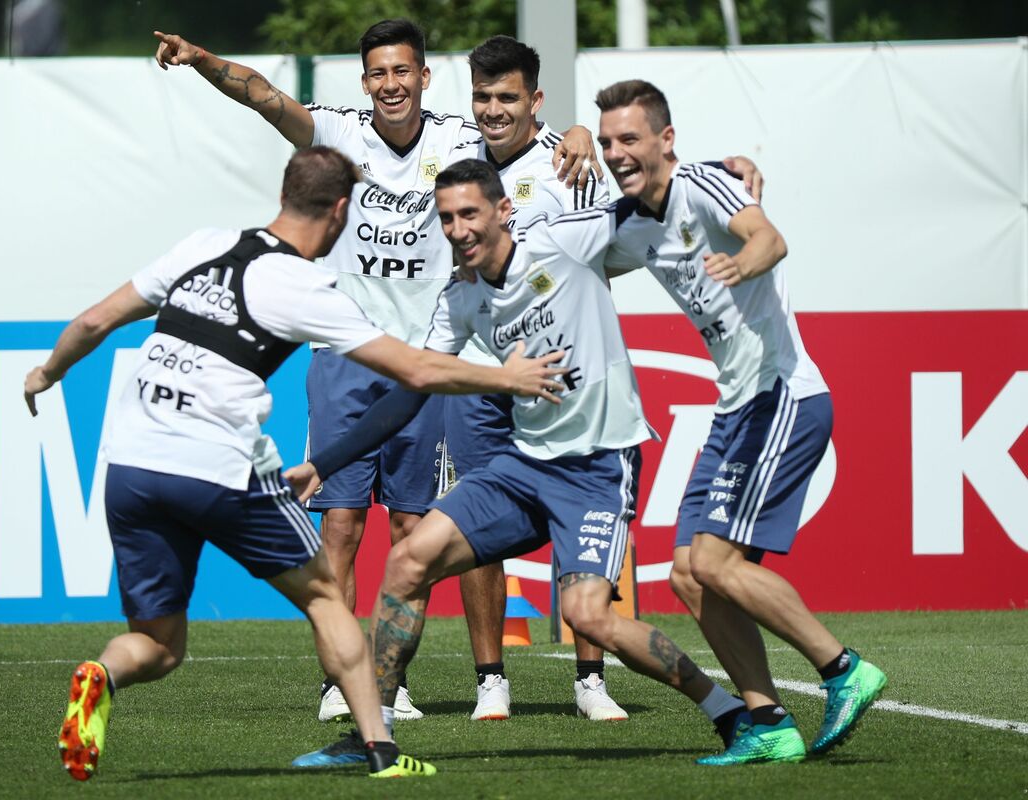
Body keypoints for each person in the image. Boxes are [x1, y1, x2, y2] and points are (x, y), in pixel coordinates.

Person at [23, 147, 565, 781]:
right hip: (216, 464)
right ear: (339, 212)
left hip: (131, 462)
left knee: (159, 644)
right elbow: (416, 371)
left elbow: (94, 320)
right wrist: (506, 377)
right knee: (326, 598)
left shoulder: (203, 244)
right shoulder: (303, 285)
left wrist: (47, 372)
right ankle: (381, 753)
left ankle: (103, 673)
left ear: (284, 194)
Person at [153, 20, 601, 724]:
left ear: (424, 77)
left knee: (414, 526)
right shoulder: (339, 132)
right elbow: (264, 96)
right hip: (345, 353)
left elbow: (523, 134)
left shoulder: (459, 139)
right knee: (341, 524)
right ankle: (340, 682)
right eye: (378, 73)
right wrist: (203, 58)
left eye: (403, 71)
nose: (391, 84)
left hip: (425, 358)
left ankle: (397, 684)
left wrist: (579, 134)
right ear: (365, 82)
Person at [285, 158, 749, 764]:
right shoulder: (462, 297)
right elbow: (412, 389)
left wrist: (723, 172)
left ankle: (730, 713)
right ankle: (374, 735)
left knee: (587, 614)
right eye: (447, 219)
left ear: (504, 210)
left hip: (595, 466)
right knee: (408, 559)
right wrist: (326, 462)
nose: (458, 230)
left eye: (470, 214)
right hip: (524, 465)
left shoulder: (562, 241)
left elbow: (647, 196)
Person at [447, 36, 767, 724]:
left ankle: (590, 678)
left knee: (584, 522)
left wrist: (722, 167)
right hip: (485, 368)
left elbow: (638, 200)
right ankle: (490, 680)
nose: (493, 109)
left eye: (507, 97)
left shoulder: (572, 158)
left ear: (535, 101)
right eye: (482, 97)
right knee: (472, 526)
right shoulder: (455, 159)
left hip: (568, 374)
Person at [596, 79, 888, 764]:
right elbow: (569, 253)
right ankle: (769, 721)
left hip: (781, 396)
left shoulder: (706, 185)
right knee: (688, 574)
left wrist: (739, 262)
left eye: (629, 138)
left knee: (715, 563)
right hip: (735, 406)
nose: (615, 153)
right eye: (606, 141)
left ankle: (843, 668)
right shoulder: (631, 222)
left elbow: (770, 239)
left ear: (666, 139)